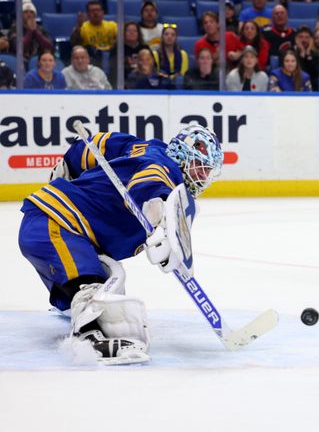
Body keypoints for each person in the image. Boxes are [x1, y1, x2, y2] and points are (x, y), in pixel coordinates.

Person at [18, 125, 223, 364]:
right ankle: (89, 334)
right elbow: (149, 184)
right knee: (93, 291)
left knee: (112, 288)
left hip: (64, 230)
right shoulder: (166, 168)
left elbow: (96, 144)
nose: (202, 176)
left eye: (207, 172)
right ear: (184, 153)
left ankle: (73, 302)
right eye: (201, 167)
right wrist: (160, 215)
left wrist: (67, 166)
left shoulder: (144, 147)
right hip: (58, 224)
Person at [6, 0, 53, 64]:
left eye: (31, 12)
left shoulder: (40, 28)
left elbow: (49, 46)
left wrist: (36, 31)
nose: (29, 15)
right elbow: (19, 48)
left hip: (39, 61)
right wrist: (30, 31)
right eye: (25, 12)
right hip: (20, 62)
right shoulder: (15, 28)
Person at [70, 0, 118, 65]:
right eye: (92, 11)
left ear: (103, 12)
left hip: (110, 56)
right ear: (87, 14)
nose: (96, 13)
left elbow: (122, 42)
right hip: (92, 58)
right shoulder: (82, 27)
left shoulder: (112, 25)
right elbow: (74, 44)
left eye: (98, 10)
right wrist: (78, 27)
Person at [292, 26, 319, 90]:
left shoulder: (315, 55)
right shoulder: (289, 53)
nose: (304, 40)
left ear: (311, 40)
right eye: (301, 37)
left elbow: (316, 73)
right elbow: (298, 73)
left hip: (312, 88)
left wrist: (308, 54)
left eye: (307, 37)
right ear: (296, 39)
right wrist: (302, 53)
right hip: (293, 86)